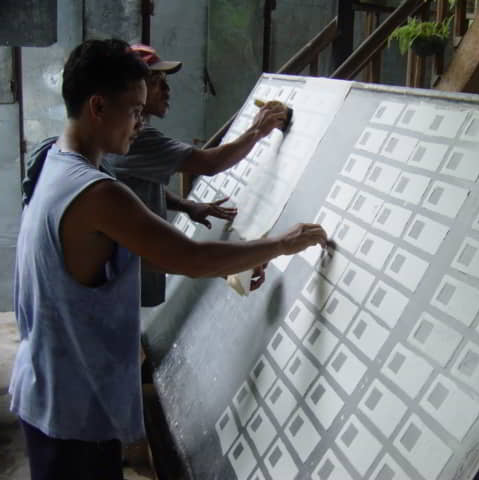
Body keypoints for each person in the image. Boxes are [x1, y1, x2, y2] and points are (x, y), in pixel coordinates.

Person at [9, 38, 326, 480]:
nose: (140, 123)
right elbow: (191, 257)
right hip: (74, 411)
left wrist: (230, 260)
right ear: (98, 106)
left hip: (45, 387)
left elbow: (164, 250)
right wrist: (281, 243)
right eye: (134, 110)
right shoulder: (98, 193)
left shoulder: (51, 160)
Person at [104, 44, 287, 307]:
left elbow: (134, 184)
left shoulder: (115, 135)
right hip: (132, 285)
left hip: (126, 278)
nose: (167, 90)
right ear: (135, 88)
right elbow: (210, 163)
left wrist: (184, 205)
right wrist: (257, 131)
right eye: (157, 82)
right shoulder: (137, 138)